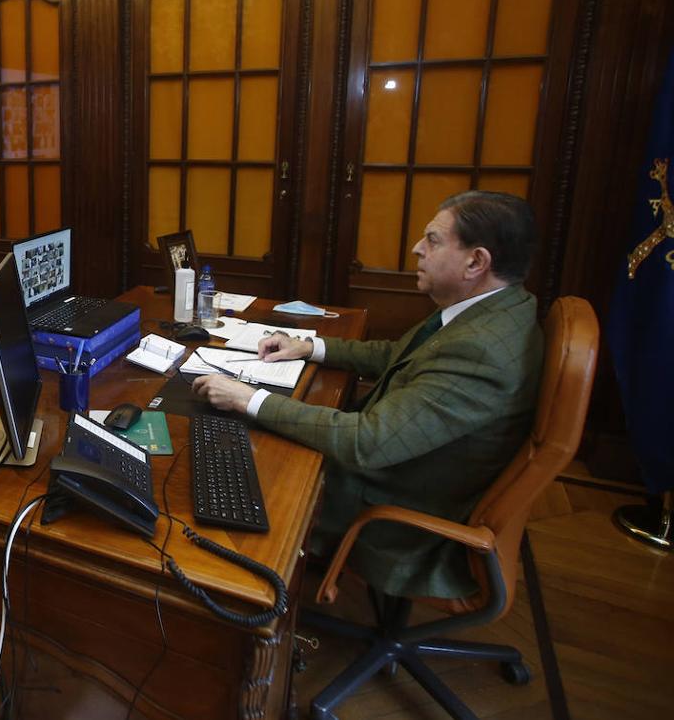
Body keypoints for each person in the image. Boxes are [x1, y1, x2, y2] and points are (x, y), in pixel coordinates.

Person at [192, 191, 544, 600]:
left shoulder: (481, 349)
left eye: (432, 240)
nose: (417, 248)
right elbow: (398, 356)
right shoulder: (491, 310)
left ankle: (236, 598)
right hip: (404, 469)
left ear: (475, 262)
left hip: (394, 513)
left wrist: (248, 398)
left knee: (222, 465)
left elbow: (367, 442)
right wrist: (310, 347)